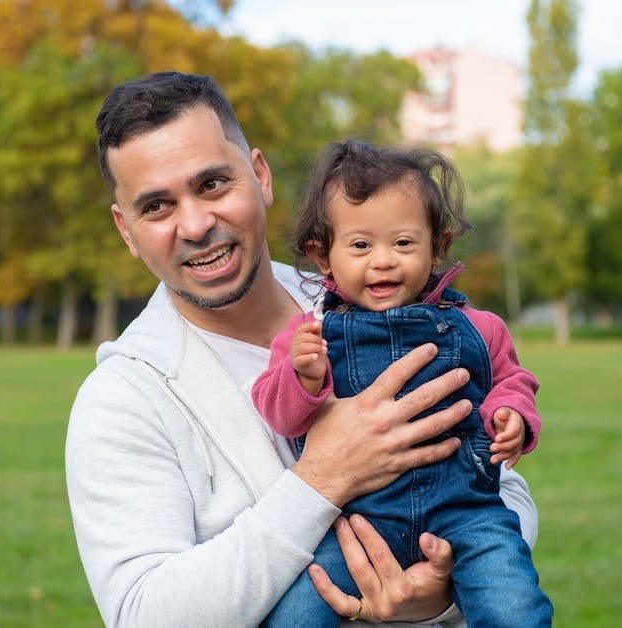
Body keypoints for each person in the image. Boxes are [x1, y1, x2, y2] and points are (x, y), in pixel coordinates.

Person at [65, 70, 540, 628]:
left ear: (260, 177)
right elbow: (144, 615)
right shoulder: (122, 399)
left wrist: (437, 592)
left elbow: (506, 492)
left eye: (213, 184)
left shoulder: (386, 304)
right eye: (157, 207)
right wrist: (321, 479)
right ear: (126, 230)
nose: (195, 224)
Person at [252, 140, 552, 627]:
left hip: (467, 515)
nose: (384, 260)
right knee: (296, 612)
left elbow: (513, 380)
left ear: (439, 245)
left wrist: (512, 414)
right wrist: (301, 377)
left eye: (404, 243)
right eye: (361, 245)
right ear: (322, 255)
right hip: (355, 525)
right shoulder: (309, 335)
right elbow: (279, 415)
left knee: (514, 604)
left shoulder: (481, 327)